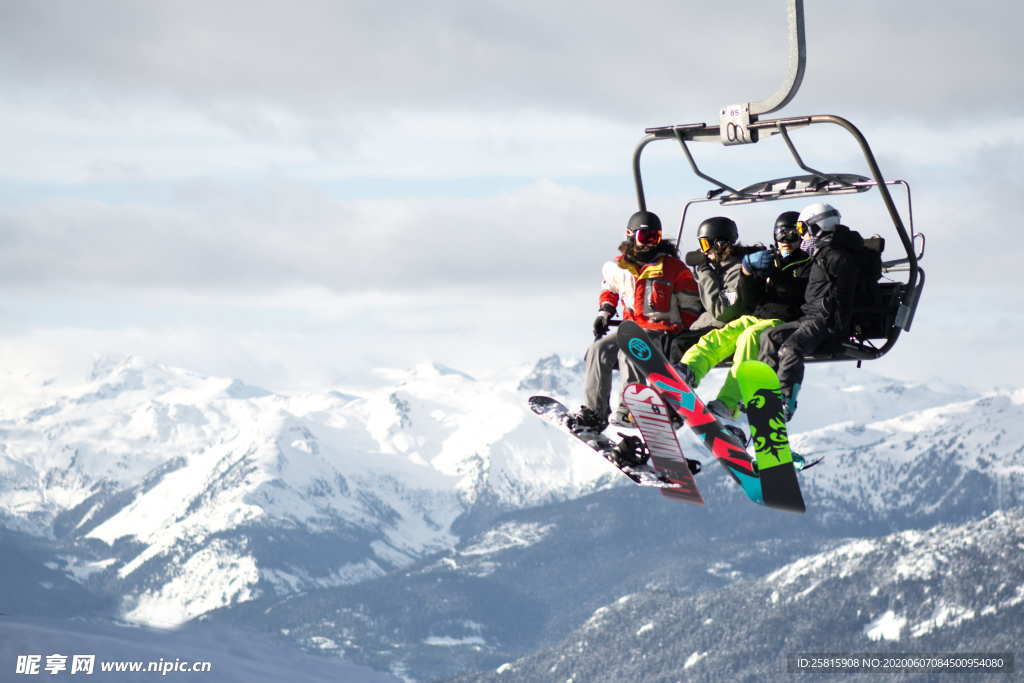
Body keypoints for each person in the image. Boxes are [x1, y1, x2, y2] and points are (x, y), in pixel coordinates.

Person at [568, 210, 701, 432]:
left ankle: (631, 408)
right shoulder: (618, 267)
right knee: (598, 349)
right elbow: (609, 289)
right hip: (632, 328)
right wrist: (605, 312)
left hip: (662, 333)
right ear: (630, 235)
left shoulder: (673, 269)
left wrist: (682, 335)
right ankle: (595, 412)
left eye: (654, 238)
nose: (649, 244)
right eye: (644, 237)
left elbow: (691, 305)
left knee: (630, 348)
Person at [672, 211, 812, 419]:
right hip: (756, 315)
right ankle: (688, 370)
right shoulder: (763, 261)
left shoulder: (805, 264)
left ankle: (729, 403)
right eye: (780, 235)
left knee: (750, 338)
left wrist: (706, 272)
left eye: (792, 235)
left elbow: (722, 307)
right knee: (719, 337)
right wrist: (749, 274)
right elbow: (751, 296)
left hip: (781, 320)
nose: (785, 241)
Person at [758, 202, 866, 420]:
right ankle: (764, 393)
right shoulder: (824, 253)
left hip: (826, 321)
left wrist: (835, 321)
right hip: (811, 317)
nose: (802, 237)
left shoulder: (838, 256)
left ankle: (785, 400)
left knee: (790, 349)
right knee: (769, 336)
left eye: (801, 230)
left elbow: (845, 293)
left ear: (816, 228)